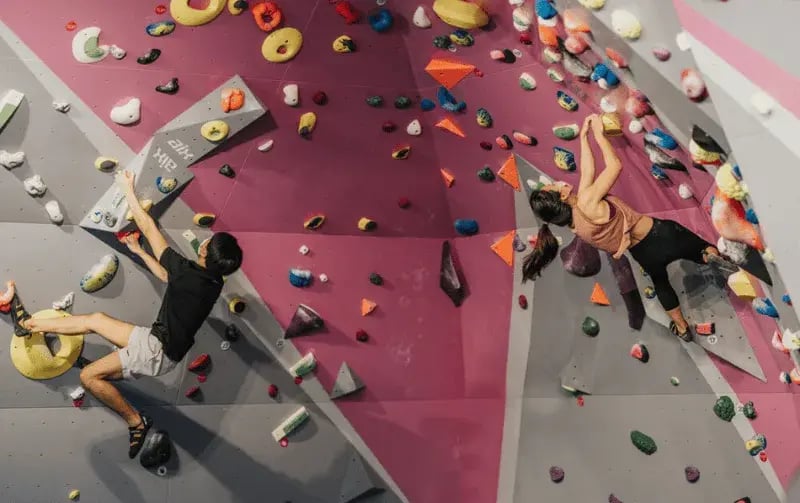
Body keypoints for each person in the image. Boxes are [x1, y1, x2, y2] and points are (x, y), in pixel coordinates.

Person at [8, 170, 243, 458]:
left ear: (205, 250)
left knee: (89, 378)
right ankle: (29, 324)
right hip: (158, 343)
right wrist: (139, 251)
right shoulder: (213, 281)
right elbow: (168, 278)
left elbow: (147, 226)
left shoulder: (190, 274)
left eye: (207, 242)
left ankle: (136, 422)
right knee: (96, 320)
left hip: (156, 351)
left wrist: (127, 188)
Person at [522, 114, 721, 342]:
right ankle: (709, 256)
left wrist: (584, 138)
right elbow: (615, 166)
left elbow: (587, 171)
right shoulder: (587, 201)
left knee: (661, 283)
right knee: (698, 247)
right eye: (553, 186)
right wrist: (600, 135)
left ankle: (681, 327)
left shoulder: (576, 225)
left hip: (643, 254)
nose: (556, 182)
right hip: (659, 233)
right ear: (563, 194)